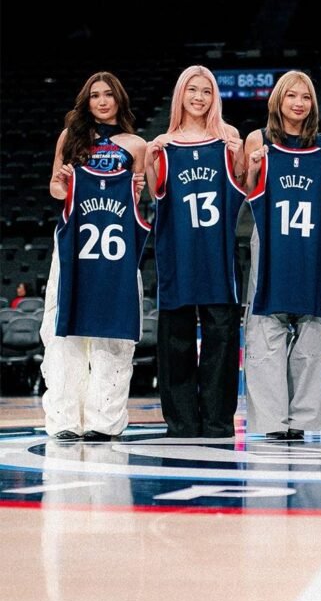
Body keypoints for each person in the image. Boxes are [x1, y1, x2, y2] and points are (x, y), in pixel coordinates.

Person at [40, 72, 148, 441]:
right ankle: (64, 419)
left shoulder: (136, 145)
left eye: (108, 95)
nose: (102, 102)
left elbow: (141, 197)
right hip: (75, 245)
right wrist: (66, 185)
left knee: (113, 335)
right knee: (63, 331)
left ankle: (106, 419)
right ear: (86, 102)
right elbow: (55, 185)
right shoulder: (70, 138)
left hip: (117, 249)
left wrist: (137, 189)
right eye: (95, 96)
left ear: (119, 99)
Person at [145, 65, 244, 439]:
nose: (199, 97)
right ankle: (182, 422)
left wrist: (242, 158)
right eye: (192, 90)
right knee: (176, 344)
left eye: (206, 91)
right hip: (178, 256)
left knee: (221, 342)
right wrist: (150, 161)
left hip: (218, 257)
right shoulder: (163, 145)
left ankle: (218, 421)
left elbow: (246, 188)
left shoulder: (229, 139)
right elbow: (152, 193)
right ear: (180, 95)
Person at [244, 70, 321, 440]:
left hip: (311, 250)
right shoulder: (261, 143)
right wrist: (254, 171)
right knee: (265, 335)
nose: (299, 103)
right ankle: (271, 423)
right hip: (270, 247)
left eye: (306, 97)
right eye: (292, 96)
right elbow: (249, 195)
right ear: (278, 100)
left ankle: (303, 421)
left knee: (314, 335)